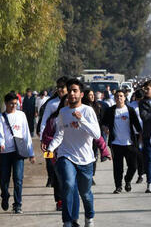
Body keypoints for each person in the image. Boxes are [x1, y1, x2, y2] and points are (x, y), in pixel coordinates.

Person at [46, 79, 101, 227]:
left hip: (86, 159)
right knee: (68, 184)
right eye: (69, 90)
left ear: (81, 94)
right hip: (66, 155)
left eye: (75, 90)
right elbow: (59, 134)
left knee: (85, 194)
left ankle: (89, 217)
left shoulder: (88, 111)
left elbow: (96, 134)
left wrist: (81, 120)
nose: (71, 93)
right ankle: (68, 221)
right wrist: (51, 148)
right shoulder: (63, 112)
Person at [0, 92, 35, 214]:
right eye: (11, 104)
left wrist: (31, 153)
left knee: (18, 178)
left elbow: (26, 134)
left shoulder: (21, 115)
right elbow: (0, 132)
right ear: (6, 103)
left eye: (15, 104)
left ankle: (17, 204)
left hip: (19, 151)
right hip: (5, 152)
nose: (13, 106)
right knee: (4, 178)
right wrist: (1, 143)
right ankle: (5, 195)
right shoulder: (0, 117)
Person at [102, 90, 142, 194]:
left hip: (130, 143)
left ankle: (128, 180)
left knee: (133, 166)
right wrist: (105, 128)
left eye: (121, 96)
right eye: (117, 96)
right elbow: (103, 123)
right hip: (116, 143)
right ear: (114, 98)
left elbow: (137, 125)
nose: (119, 98)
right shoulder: (111, 111)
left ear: (125, 98)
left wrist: (141, 136)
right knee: (117, 167)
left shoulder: (130, 110)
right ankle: (118, 186)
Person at [128, 89, 145, 184]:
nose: (139, 101)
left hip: (144, 132)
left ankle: (141, 174)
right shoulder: (131, 106)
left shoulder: (146, 105)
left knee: (141, 154)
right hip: (133, 133)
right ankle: (138, 173)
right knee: (135, 154)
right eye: (138, 99)